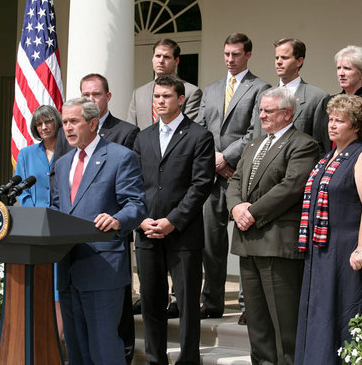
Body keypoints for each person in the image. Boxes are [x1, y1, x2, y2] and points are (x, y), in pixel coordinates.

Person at [226, 87, 319, 364]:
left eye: (268, 110)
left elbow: (291, 187)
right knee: (257, 323)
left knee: (284, 325)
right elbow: (234, 181)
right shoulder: (254, 144)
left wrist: (252, 212)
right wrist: (235, 207)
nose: (261, 115)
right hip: (248, 242)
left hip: (277, 243)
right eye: (261, 110)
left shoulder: (303, 144)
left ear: (287, 113)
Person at [53, 73, 140, 364]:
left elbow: (136, 205)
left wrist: (116, 219)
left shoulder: (119, 157)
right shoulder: (63, 162)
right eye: (64, 122)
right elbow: (57, 209)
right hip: (67, 269)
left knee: (104, 348)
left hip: (102, 268)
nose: (67, 127)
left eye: (73, 121)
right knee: (75, 350)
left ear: (92, 124)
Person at [295, 94, 362, 365]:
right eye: (330, 119)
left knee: (343, 315)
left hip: (347, 250)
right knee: (320, 313)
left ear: (356, 125)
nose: (332, 125)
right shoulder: (328, 157)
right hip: (320, 250)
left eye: (340, 121)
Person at [133, 76, 215, 364]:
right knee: (152, 303)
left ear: (181, 99)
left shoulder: (199, 136)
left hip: (183, 234)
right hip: (146, 233)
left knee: (188, 303)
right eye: (156, 96)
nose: (160, 101)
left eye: (166, 96)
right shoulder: (142, 137)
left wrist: (172, 221)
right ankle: (157, 359)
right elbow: (133, 185)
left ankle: (188, 359)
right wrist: (142, 219)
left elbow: (201, 185)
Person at [197, 32, 270, 320]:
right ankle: (212, 302)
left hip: (243, 175)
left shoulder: (259, 87)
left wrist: (225, 158)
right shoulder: (212, 89)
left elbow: (256, 132)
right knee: (210, 242)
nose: (230, 59)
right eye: (226, 54)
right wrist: (213, 161)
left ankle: (247, 306)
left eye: (236, 54)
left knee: (245, 242)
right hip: (212, 180)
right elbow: (201, 131)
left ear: (248, 55)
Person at [15, 104, 64, 338]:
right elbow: (21, 189)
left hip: (61, 226)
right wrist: (33, 213)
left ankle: (56, 341)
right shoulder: (26, 154)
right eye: (39, 124)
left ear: (57, 122)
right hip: (34, 227)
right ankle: (37, 338)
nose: (44, 127)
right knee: (36, 284)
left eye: (48, 122)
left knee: (57, 287)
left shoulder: (69, 151)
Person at [314, 45, 362, 154]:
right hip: (328, 163)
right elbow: (318, 139)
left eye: (347, 68)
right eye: (338, 68)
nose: (341, 73)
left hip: (357, 163)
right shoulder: (328, 101)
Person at [253, 38, 328, 138]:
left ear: (299, 61)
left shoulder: (317, 97)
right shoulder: (263, 96)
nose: (279, 62)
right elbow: (256, 136)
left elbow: (320, 143)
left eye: (284, 58)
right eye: (276, 58)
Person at [128, 38, 203, 129]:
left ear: (176, 61)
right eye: (158, 56)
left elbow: (189, 130)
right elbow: (130, 131)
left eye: (166, 57)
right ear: (152, 58)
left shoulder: (191, 92)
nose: (161, 61)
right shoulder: (139, 93)